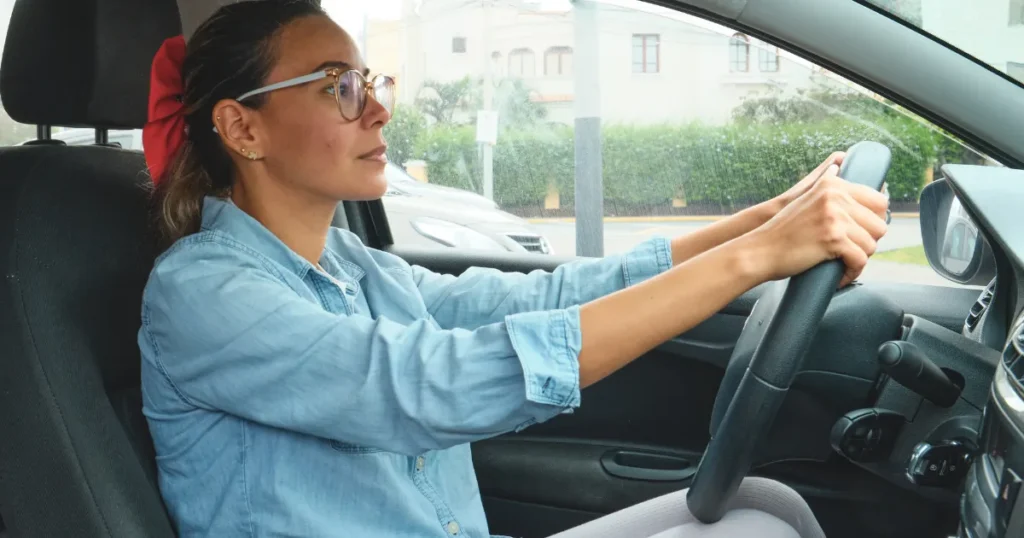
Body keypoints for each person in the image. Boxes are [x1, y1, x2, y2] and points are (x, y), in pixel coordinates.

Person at [138, 1, 889, 537]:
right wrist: (755, 259)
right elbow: (427, 386)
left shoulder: (355, 267)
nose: (376, 111)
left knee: (770, 509)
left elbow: (543, 297)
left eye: (371, 84)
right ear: (242, 127)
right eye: (339, 87)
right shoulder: (203, 293)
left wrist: (761, 221)